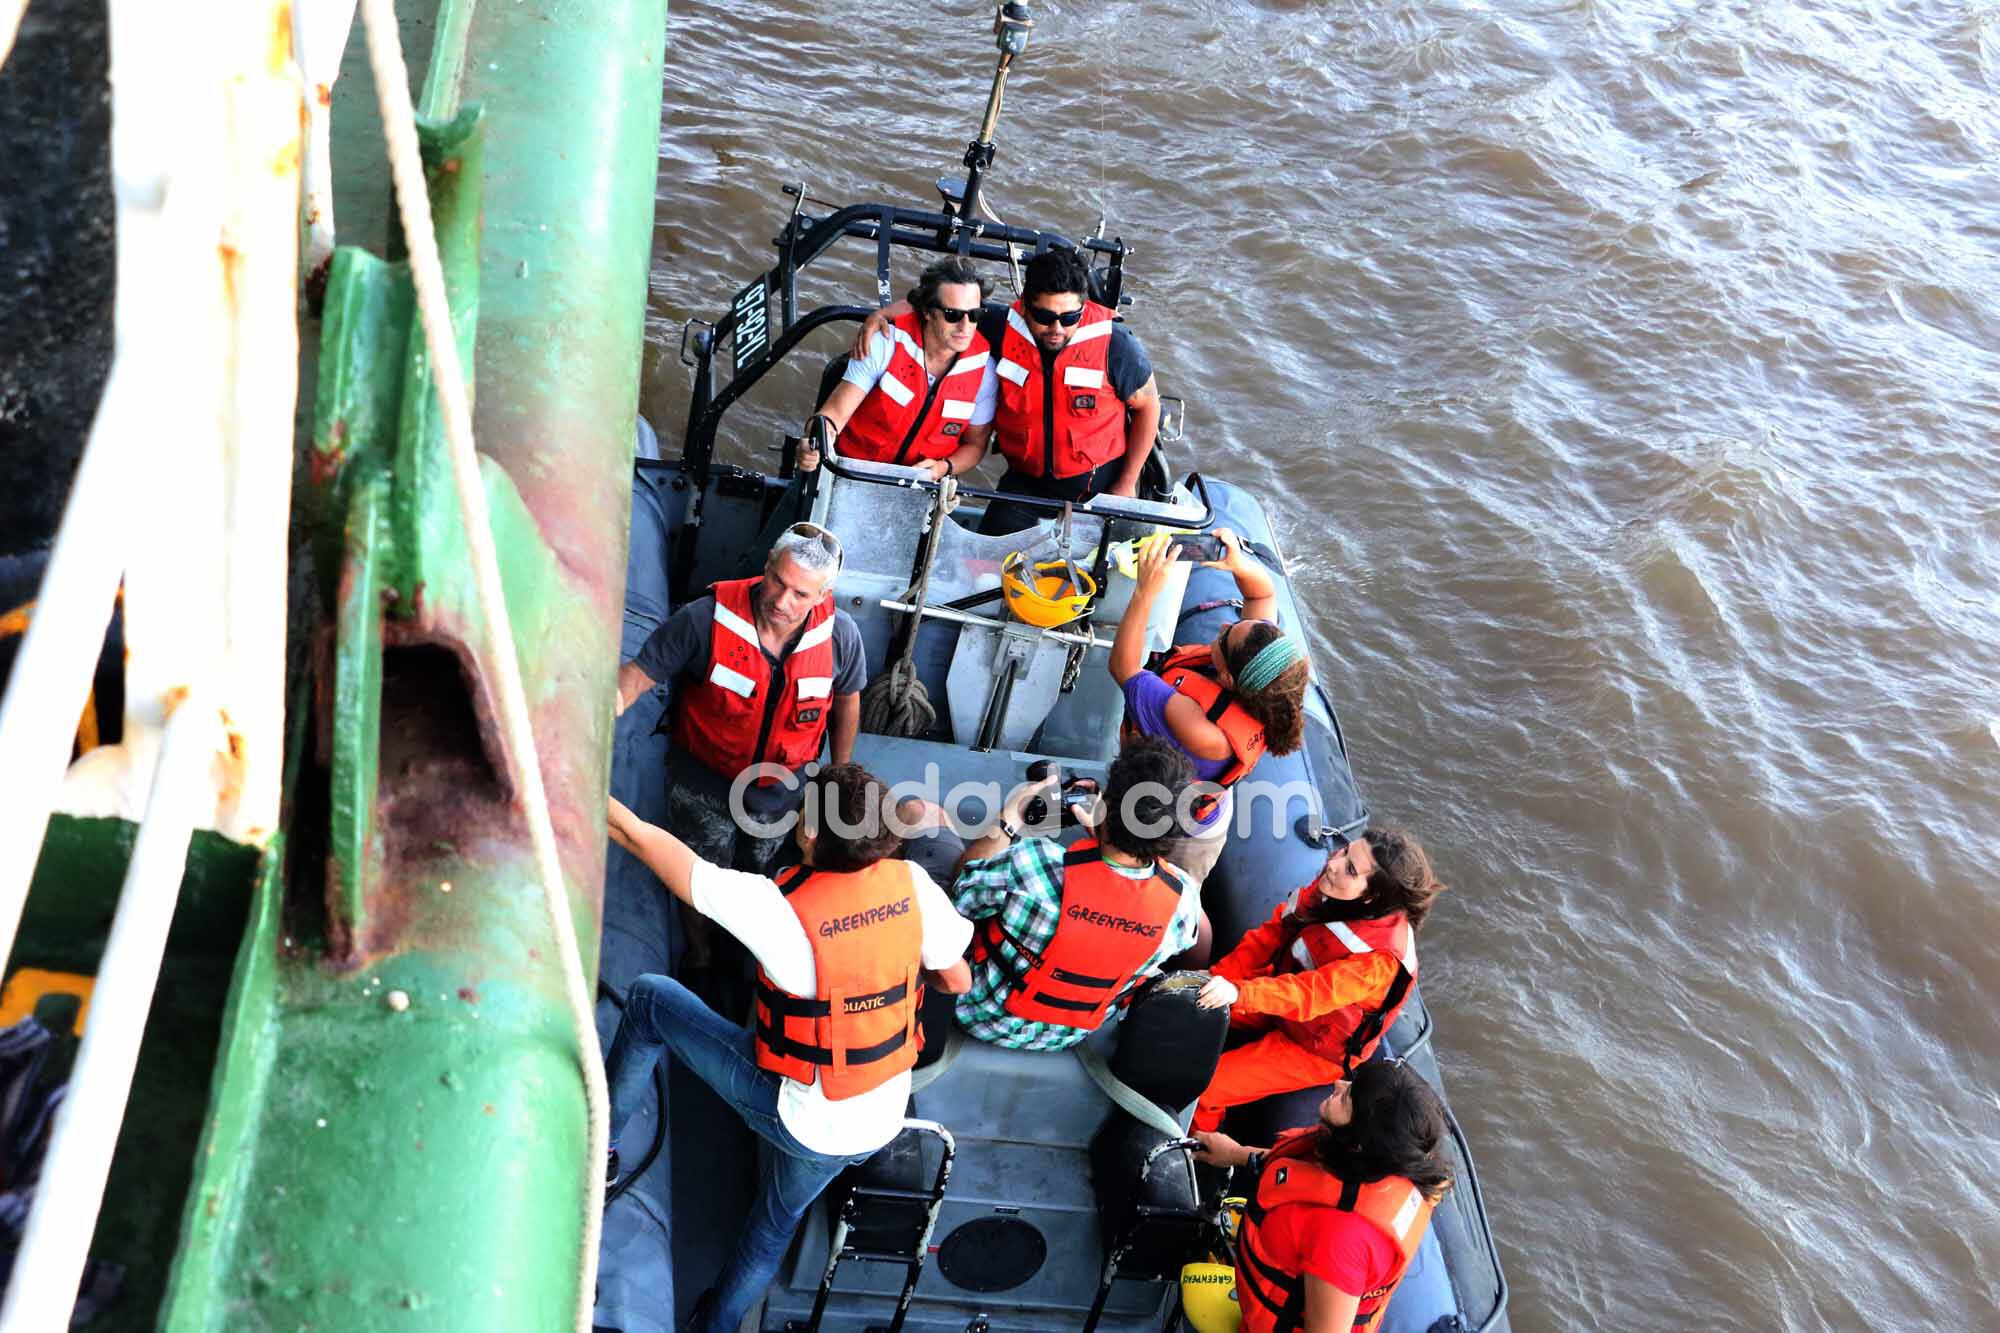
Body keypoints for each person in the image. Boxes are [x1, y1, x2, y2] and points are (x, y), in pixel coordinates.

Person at [603, 765, 973, 1333]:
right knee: (773, 1227)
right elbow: (957, 981)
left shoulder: (774, 909)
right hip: (878, 1120)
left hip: (806, 1121)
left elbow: (641, 840)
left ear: (807, 834)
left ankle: (601, 1149)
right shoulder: (914, 886)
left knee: (652, 999)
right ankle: (717, 1325)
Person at [856, 247, 1163, 533]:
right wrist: (881, 316)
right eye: (1045, 317)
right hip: (1025, 484)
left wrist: (1126, 482)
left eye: (1069, 317)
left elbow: (1149, 406)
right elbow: (940, 304)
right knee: (983, 574)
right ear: (1025, 306)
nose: (1057, 328)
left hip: (1098, 486)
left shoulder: (1117, 344)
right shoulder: (1002, 327)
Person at [948, 736, 1211, 1051]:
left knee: (924, 814)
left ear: (1108, 805)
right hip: (1067, 1034)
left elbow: (962, 888)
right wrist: (1107, 832)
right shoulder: (1182, 903)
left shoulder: (1034, 862)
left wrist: (1011, 818)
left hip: (982, 1015)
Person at [1189, 829, 1444, 1134]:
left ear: (1371, 896)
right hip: (1279, 999)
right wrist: (1220, 977)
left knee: (1207, 1090)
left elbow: (1308, 995)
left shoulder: (1378, 963)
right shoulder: (1330, 889)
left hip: (1314, 1048)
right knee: (1193, 1000)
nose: (1334, 863)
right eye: (1345, 851)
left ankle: (1199, 1156)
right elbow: (1270, 936)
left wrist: (1237, 992)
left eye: (1351, 869)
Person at [1109, 529, 1309, 885]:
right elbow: (1261, 592)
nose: (1223, 623)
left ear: (1229, 679)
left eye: (1225, 635)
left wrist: (1145, 591)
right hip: (1200, 793)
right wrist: (1237, 563)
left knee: (1174, 895)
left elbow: (1124, 669)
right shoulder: (1264, 680)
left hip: (1180, 826)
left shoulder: (1201, 730)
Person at [1194, 1061, 1452, 1332]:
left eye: (1347, 1097)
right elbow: (1301, 1171)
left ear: (1359, 1141)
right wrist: (1235, 1153)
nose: (1338, 1084)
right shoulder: (1370, 1159)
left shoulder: (1340, 1240)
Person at [799, 257, 996, 481]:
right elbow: (833, 416)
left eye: (975, 315)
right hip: (850, 473)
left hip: (920, 486)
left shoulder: (985, 372)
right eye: (953, 315)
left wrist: (943, 468)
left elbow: (975, 445)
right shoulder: (884, 344)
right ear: (927, 312)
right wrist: (813, 442)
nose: (965, 326)